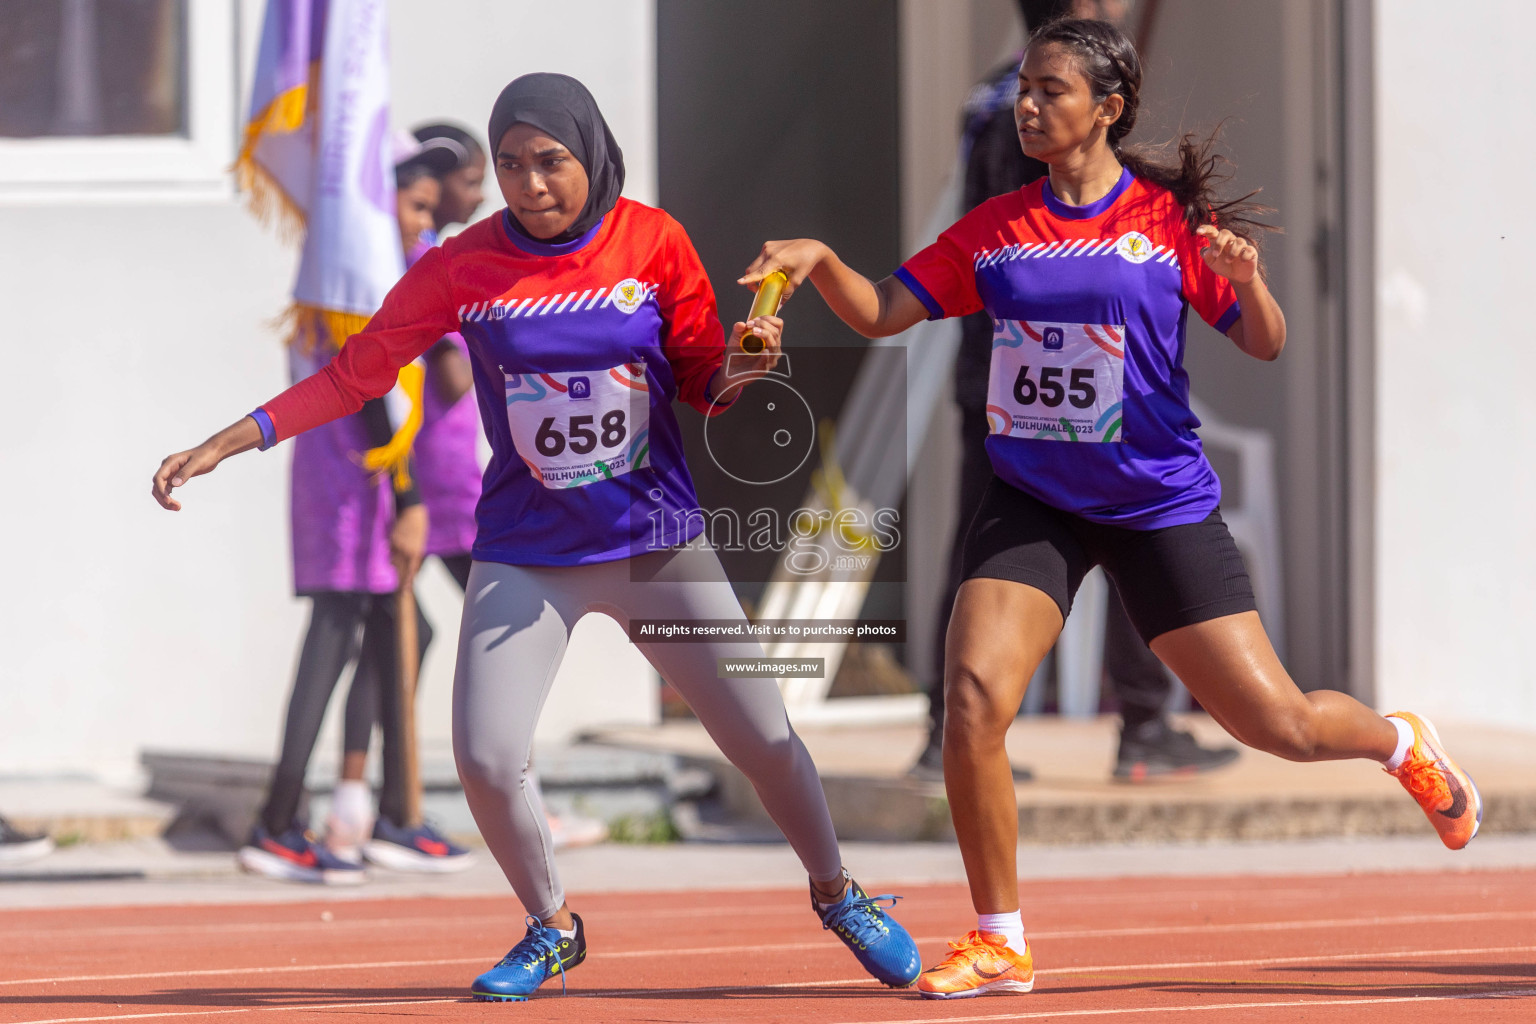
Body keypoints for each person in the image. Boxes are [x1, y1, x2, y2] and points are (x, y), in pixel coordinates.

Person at [742, 17, 1481, 1000]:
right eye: (1025, 91)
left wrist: (1247, 284)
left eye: (1051, 90)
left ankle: (1401, 744)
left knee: (1280, 722)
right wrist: (820, 259)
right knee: (971, 701)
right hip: (1034, 498)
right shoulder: (997, 227)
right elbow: (884, 312)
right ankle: (999, 936)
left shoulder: (1165, 223)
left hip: (1154, 502)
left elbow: (1264, 341)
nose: (1030, 106)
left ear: (1109, 107)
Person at [153, 73, 922, 1000]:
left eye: (550, 161)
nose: (530, 184)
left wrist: (743, 370)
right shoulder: (460, 266)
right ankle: (551, 927)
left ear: (589, 154)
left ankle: (839, 895)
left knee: (762, 739)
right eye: (511, 165)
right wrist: (227, 441)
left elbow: (702, 377)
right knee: (482, 755)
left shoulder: (652, 240)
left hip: (654, 543)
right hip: (527, 549)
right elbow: (356, 375)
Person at [912, 0, 1237, 785]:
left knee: (1110, 535)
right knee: (1013, 551)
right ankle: (1133, 722)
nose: (1037, 105)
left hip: (1022, 373)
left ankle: (1134, 721)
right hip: (1020, 383)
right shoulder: (1041, 107)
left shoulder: (997, 90)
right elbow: (1053, 222)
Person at [236, 139, 470, 885]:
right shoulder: (346, 274)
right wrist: (406, 497)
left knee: (389, 631)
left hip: (348, 477)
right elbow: (364, 390)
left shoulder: (346, 268)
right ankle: (282, 820)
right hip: (349, 481)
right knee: (337, 633)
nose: (422, 224)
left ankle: (362, 809)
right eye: (416, 206)